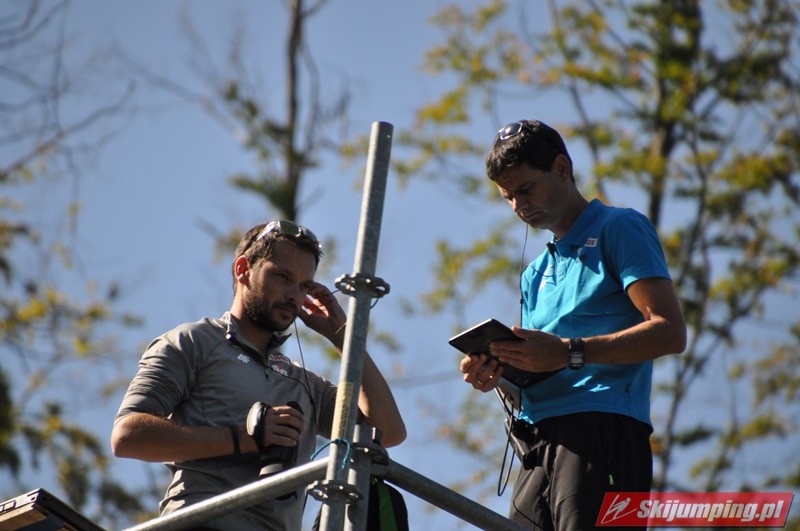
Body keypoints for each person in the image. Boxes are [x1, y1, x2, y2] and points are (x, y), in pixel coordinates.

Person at [459, 119, 686, 530]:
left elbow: (670, 331)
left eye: (525, 189)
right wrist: (500, 376)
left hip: (604, 430)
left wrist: (568, 352)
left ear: (562, 169)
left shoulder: (619, 227)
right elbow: (538, 372)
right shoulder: (534, 274)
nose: (518, 205)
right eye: (508, 197)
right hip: (537, 445)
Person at [111, 220, 406, 530]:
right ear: (243, 269)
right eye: (283, 277)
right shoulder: (195, 342)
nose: (294, 296)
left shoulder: (305, 384)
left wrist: (344, 338)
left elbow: (388, 432)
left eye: (305, 286)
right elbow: (127, 436)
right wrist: (244, 438)